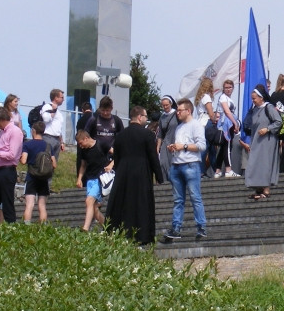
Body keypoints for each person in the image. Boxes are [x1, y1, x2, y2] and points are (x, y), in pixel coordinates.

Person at [105, 106, 164, 245]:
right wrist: (159, 177)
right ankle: (142, 235)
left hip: (123, 173)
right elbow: (153, 156)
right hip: (141, 172)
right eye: (145, 116)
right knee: (141, 203)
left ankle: (120, 232)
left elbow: (117, 157)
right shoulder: (147, 135)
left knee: (123, 203)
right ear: (139, 117)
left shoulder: (120, 136)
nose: (146, 119)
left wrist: (119, 170)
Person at [164, 98, 208, 242]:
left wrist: (183, 146)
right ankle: (176, 228)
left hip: (190, 164)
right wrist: (173, 148)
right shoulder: (179, 127)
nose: (177, 113)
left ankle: (201, 227)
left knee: (195, 197)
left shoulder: (196, 125)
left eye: (180, 110)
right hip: (177, 164)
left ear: (188, 111)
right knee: (178, 200)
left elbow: (201, 146)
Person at [243, 88, 281, 200]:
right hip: (257, 141)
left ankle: (266, 189)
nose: (253, 101)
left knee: (265, 164)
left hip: (267, 141)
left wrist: (268, 129)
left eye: (254, 98)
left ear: (261, 97)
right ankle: (258, 189)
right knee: (255, 164)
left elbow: (278, 121)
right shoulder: (254, 110)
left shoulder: (269, 108)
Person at [75, 129, 113, 232]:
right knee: (94, 208)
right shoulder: (84, 151)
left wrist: (111, 164)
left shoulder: (102, 144)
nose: (81, 146)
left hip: (100, 179)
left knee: (89, 201)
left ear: (86, 138)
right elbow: (83, 165)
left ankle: (85, 228)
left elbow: (117, 154)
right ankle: (108, 228)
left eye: (81, 143)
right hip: (90, 180)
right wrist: (79, 178)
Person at [0, 106, 23, 223]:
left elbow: (12, 155)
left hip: (7, 170)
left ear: (1, 119)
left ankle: (10, 226)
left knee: (7, 202)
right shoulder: (2, 132)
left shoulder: (15, 131)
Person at [20, 121, 55, 224]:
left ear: (33, 131)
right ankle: (43, 228)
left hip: (31, 177)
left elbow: (23, 161)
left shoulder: (27, 144)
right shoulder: (48, 146)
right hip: (44, 179)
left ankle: (26, 227)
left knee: (29, 204)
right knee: (42, 205)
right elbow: (54, 164)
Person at [212, 79, 239, 178]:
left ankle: (218, 170)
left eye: (230, 87)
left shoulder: (229, 98)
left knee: (223, 147)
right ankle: (228, 169)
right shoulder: (223, 98)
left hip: (228, 125)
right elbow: (227, 112)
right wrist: (235, 123)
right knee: (227, 146)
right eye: (226, 88)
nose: (228, 89)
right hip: (225, 126)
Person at [193, 77, 218, 177]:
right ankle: (201, 171)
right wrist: (215, 120)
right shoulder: (206, 97)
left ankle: (215, 169)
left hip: (200, 122)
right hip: (207, 122)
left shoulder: (199, 98)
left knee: (211, 149)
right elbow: (211, 113)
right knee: (207, 147)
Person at [39, 88, 67, 171]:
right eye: (61, 97)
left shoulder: (59, 111)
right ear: (56, 98)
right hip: (48, 137)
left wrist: (61, 141)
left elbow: (58, 128)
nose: (63, 99)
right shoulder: (47, 107)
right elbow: (46, 119)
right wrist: (53, 110)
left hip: (56, 139)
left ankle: (49, 182)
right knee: (46, 162)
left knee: (53, 164)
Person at [157, 95, 179, 177]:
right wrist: (158, 147)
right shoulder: (162, 117)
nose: (165, 107)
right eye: (163, 105)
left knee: (173, 163)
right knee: (163, 163)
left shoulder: (176, 114)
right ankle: (165, 181)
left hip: (175, 141)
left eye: (167, 105)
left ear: (171, 104)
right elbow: (160, 134)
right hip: (166, 143)